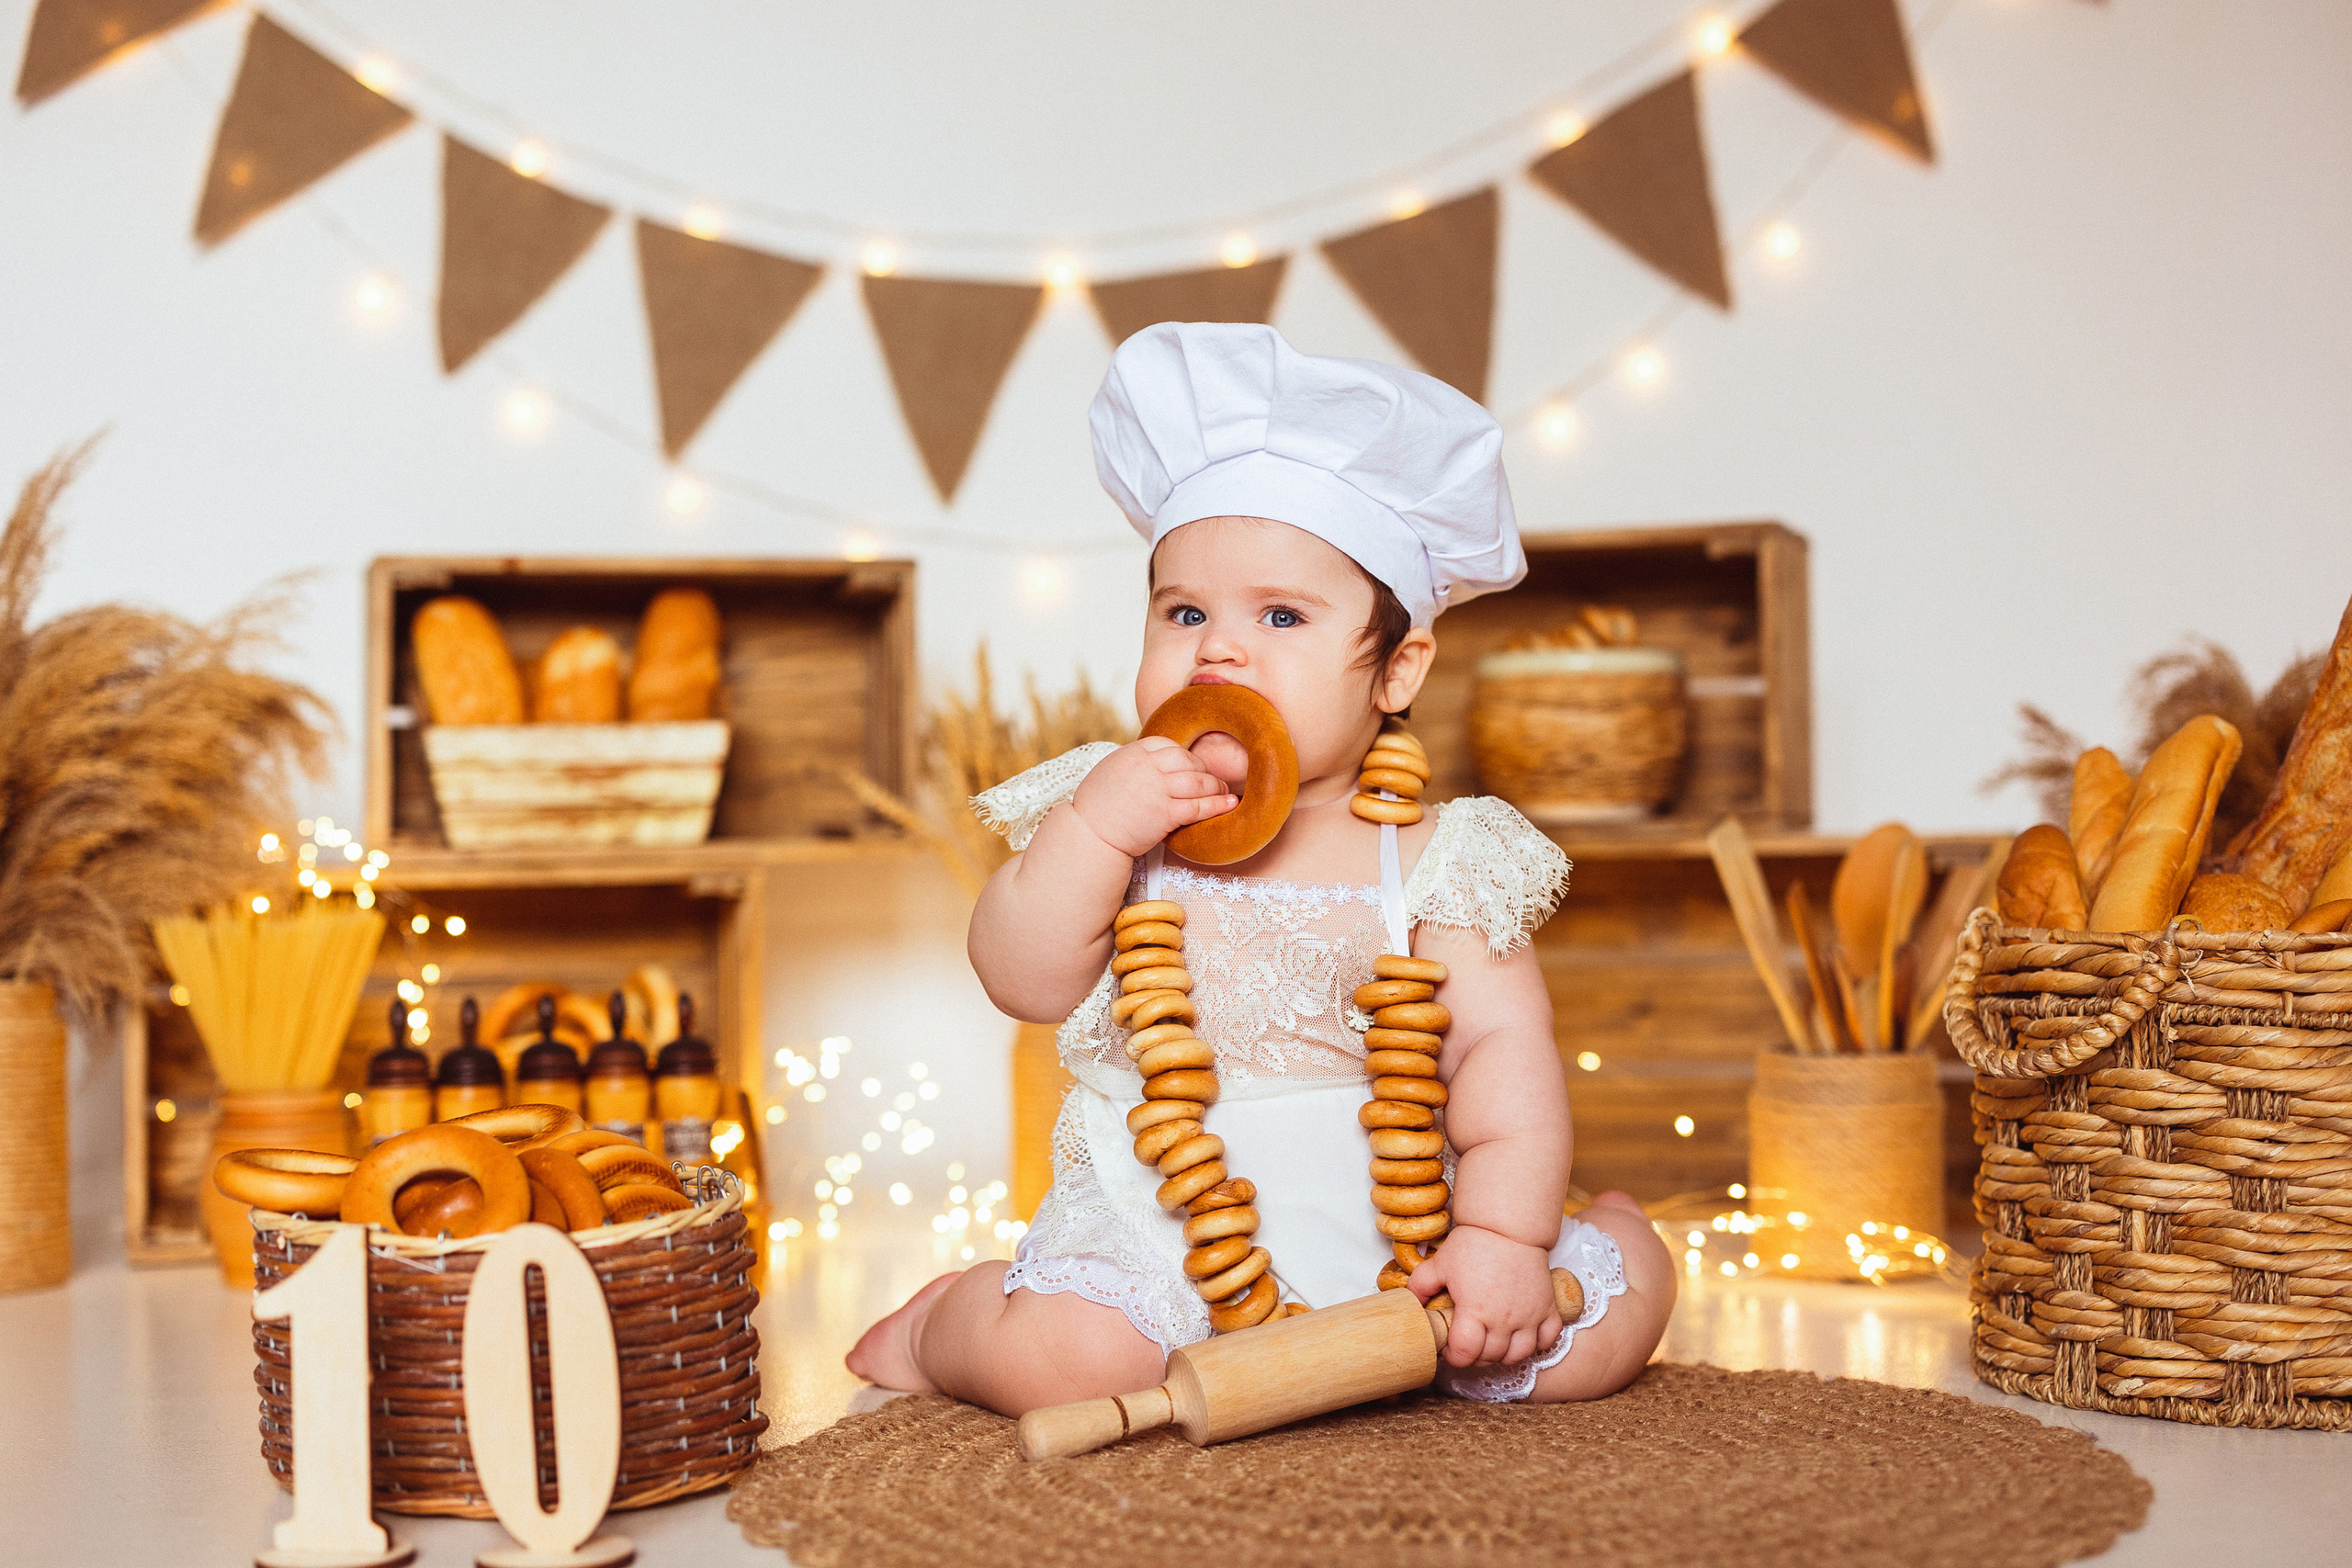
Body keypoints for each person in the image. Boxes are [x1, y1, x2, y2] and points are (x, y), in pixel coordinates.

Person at [849, 321, 1673, 1412]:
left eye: (1280, 615)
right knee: (1071, 1364)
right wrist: (1095, 832)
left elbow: (1502, 1054)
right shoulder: (1114, 810)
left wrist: (1502, 1237)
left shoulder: (1433, 856)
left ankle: (1617, 1231)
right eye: (1183, 611)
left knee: (1582, 1344)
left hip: (1400, 1219)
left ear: (1396, 670)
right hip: (1163, 1208)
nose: (1218, 650)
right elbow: (1022, 979)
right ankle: (946, 1323)